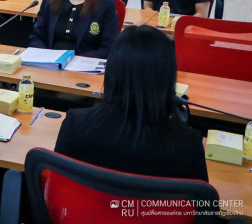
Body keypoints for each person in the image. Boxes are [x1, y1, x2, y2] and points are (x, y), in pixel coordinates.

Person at [54, 25, 208, 181]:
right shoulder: (188, 145)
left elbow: (54, 186)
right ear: (168, 78)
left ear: (111, 71)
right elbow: (203, 196)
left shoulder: (74, 125)